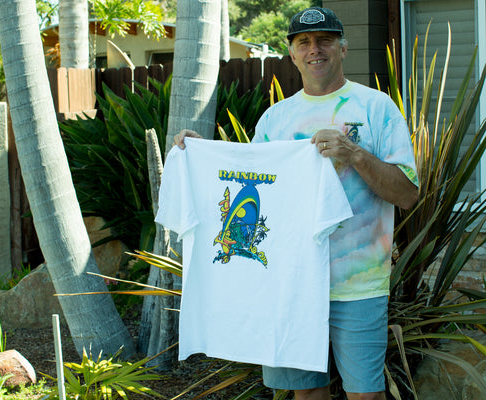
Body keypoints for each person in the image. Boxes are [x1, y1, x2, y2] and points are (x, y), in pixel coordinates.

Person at [174, 6, 419, 400]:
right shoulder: (275, 119)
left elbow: (408, 194)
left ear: (343, 48)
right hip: (288, 284)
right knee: (305, 394)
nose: (314, 49)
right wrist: (207, 158)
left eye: (324, 40)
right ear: (291, 53)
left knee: (366, 395)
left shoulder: (377, 108)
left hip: (357, 283)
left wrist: (354, 154)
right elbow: (253, 188)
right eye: (303, 42)